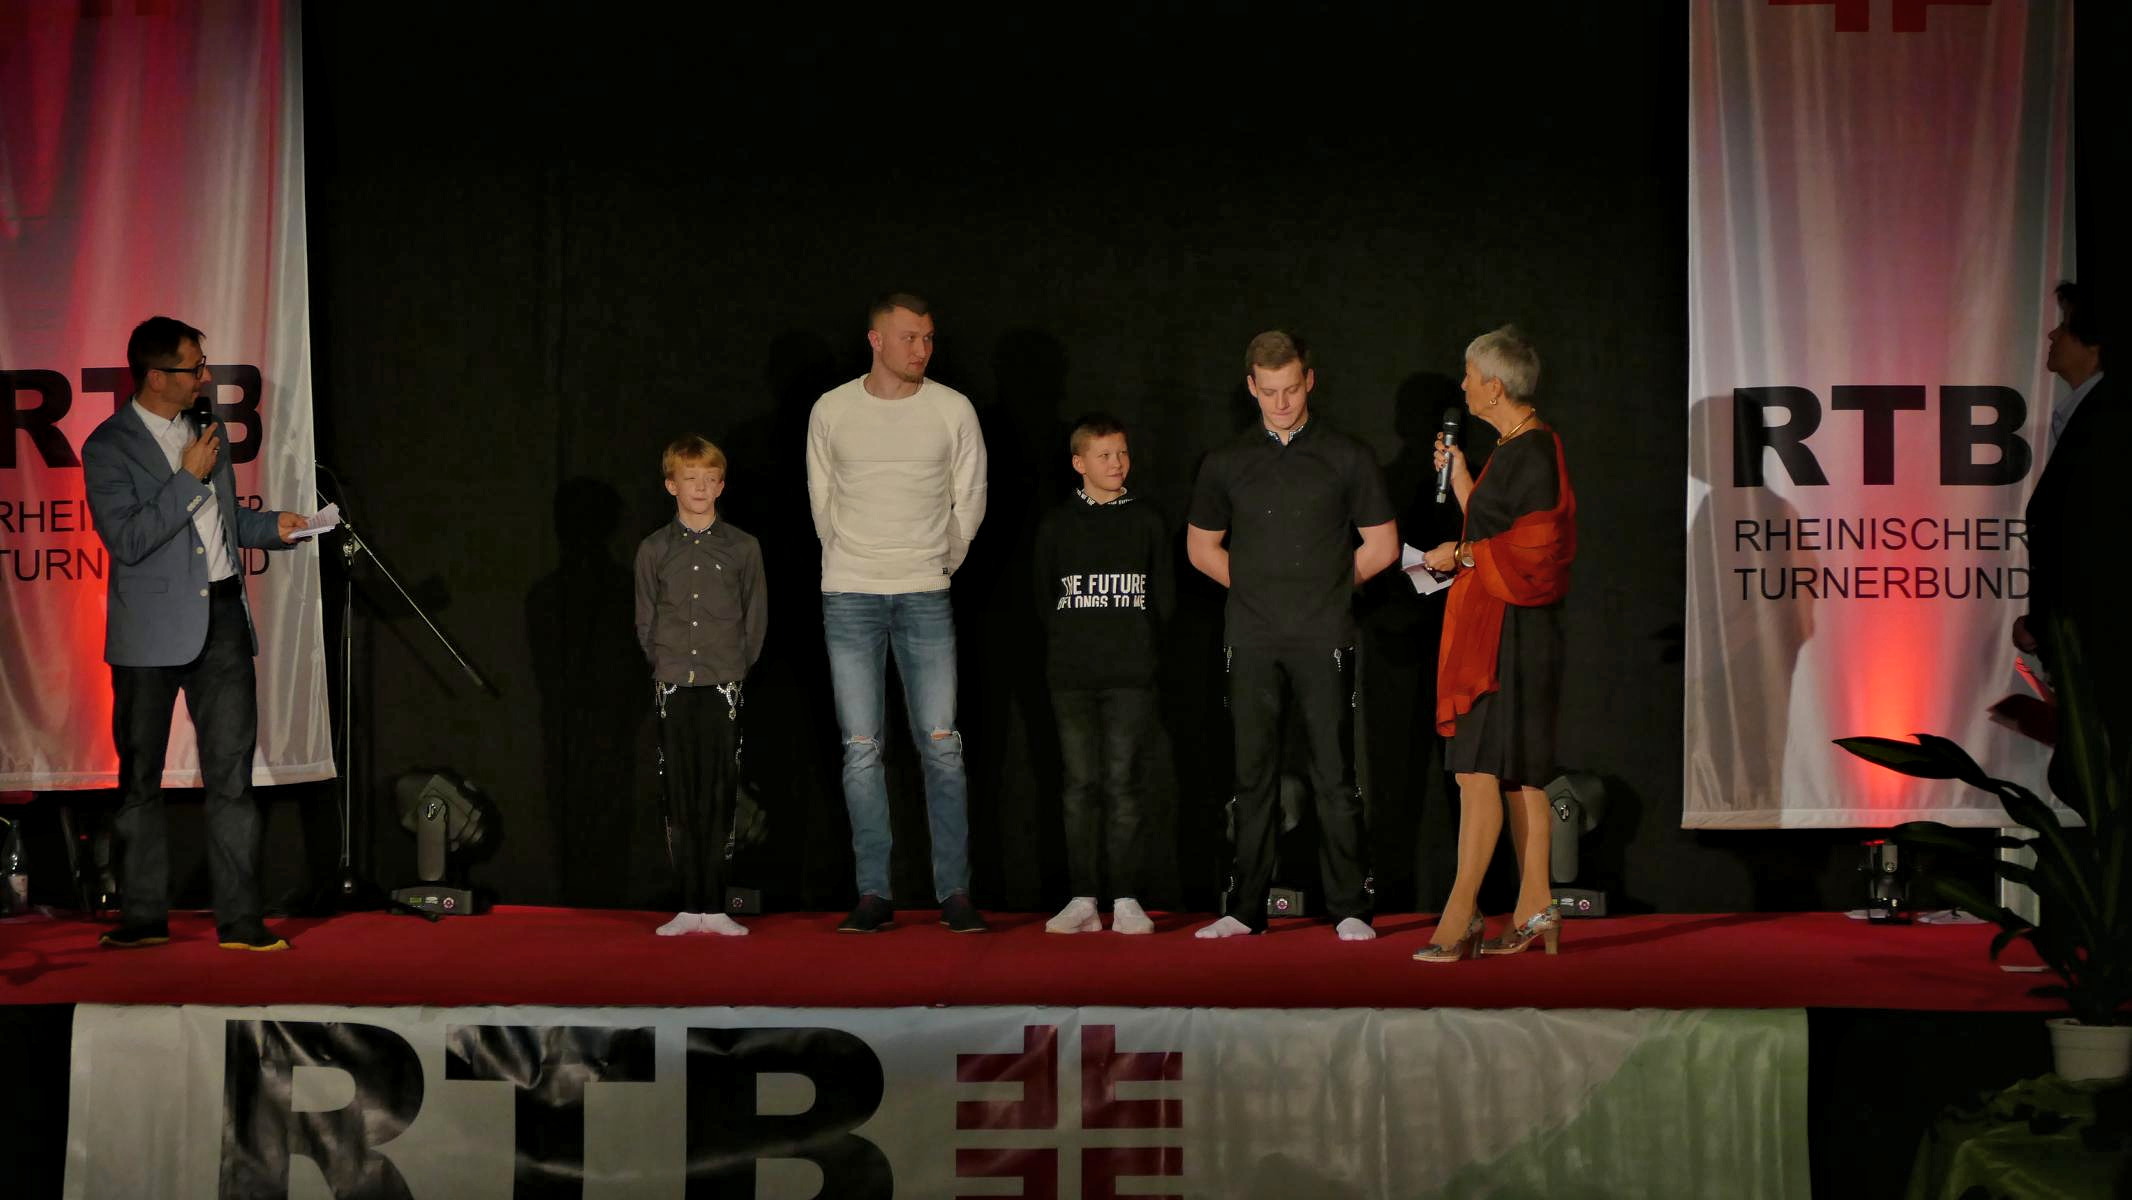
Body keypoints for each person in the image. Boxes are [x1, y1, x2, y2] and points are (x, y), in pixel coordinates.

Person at [81, 316, 307, 951]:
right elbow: (128, 539)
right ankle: (143, 917)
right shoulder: (108, 446)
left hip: (224, 620)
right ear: (156, 377)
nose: (204, 378)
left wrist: (273, 527)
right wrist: (187, 478)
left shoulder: (206, 433)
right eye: (193, 368)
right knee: (140, 779)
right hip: (150, 634)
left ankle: (240, 921)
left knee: (232, 776)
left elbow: (222, 521)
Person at [1186, 331, 1399, 941]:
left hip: (1323, 633)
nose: (1281, 403)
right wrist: (1258, 586)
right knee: (1252, 776)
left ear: (1310, 381)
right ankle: (1243, 909)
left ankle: (1350, 908)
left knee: (1334, 773)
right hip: (1251, 637)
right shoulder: (1226, 461)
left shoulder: (1346, 456)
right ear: (1251, 386)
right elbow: (1201, 548)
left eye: (1291, 389)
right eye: (1269, 391)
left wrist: (1327, 585)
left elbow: (1383, 544)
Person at [807, 292, 989, 934]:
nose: (922, 349)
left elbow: (970, 496)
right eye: (910, 337)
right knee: (861, 749)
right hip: (850, 593)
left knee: (942, 746)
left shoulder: (952, 409)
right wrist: (854, 560)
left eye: (929, 338)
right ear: (876, 340)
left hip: (924, 592)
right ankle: (874, 894)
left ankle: (954, 892)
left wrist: (937, 561)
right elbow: (823, 501)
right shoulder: (832, 409)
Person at [1416, 325, 1576, 963]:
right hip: (1503, 624)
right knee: (1516, 774)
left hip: (1511, 633)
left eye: (1469, 375)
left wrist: (1456, 554)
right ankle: (1537, 907)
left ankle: (1460, 918)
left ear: (1495, 387)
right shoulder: (1513, 447)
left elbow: (1535, 549)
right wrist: (1461, 477)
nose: (1462, 385)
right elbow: (1496, 531)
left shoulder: (1534, 450)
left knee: (1479, 771)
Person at [1033, 413, 1174, 935]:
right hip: (1071, 677)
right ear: (1079, 463)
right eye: (1104, 455)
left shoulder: (1147, 521)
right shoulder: (1057, 525)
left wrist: (1139, 650)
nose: (1116, 464)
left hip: (1130, 676)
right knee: (1078, 786)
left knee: (1123, 785)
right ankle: (1083, 898)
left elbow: (1164, 599)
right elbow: (1044, 598)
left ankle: (1127, 898)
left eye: (1122, 453)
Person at [633, 435, 767, 937]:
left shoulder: (743, 548)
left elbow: (755, 618)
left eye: (710, 479)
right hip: (673, 681)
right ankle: (688, 904)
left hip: (722, 682)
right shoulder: (654, 549)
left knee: (719, 791)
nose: (701, 487)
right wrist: (666, 664)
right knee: (679, 792)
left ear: (721, 485)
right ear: (672, 485)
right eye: (691, 478)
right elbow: (645, 619)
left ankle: (715, 904)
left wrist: (733, 668)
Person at [2019, 280, 2123, 779]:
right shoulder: (2087, 416)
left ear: (2094, 344)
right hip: (2083, 640)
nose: (2051, 334)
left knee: (2094, 775)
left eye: (2064, 326)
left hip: (2100, 644)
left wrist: (2044, 622)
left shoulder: (2108, 422)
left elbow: (2086, 543)